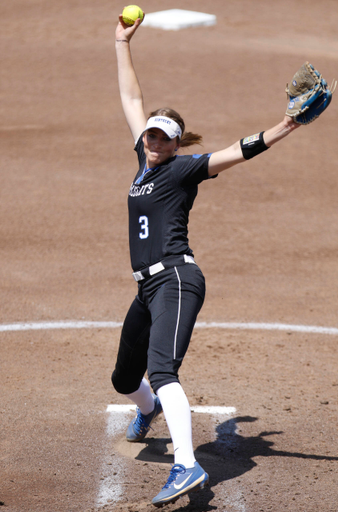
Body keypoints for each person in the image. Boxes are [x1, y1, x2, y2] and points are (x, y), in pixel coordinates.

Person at [111, 12, 301, 508]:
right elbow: (132, 98)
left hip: (176, 279)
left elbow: (239, 150)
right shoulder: (144, 163)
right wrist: (120, 42)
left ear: (176, 143)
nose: (152, 142)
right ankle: (147, 412)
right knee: (124, 380)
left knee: (163, 371)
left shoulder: (183, 169)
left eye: (160, 138)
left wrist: (287, 123)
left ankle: (186, 465)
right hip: (146, 289)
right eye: (148, 135)